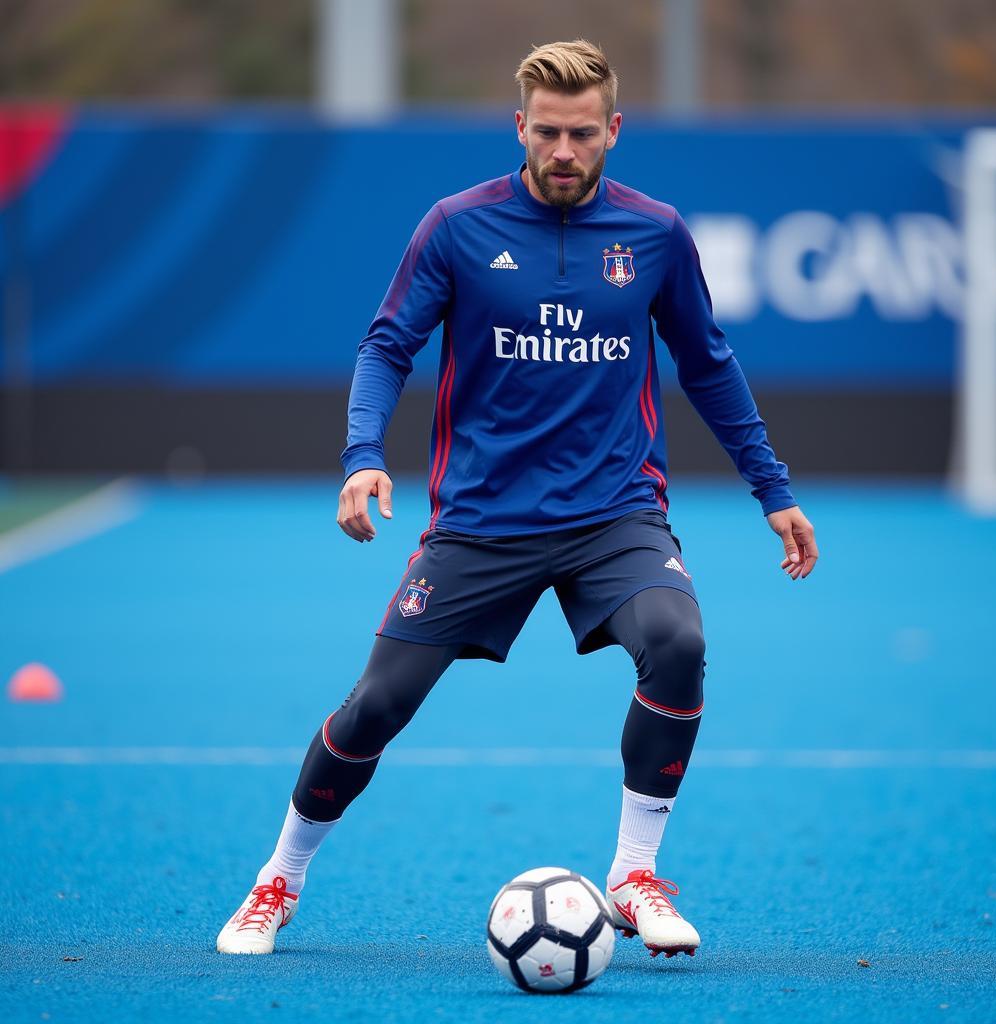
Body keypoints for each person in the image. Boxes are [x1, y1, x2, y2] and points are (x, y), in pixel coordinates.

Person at [217, 38, 818, 958]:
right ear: (520, 128)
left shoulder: (655, 234)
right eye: (548, 133)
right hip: (481, 522)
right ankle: (278, 879)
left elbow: (708, 364)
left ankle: (635, 873)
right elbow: (386, 347)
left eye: (583, 133)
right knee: (377, 705)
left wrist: (771, 488)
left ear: (614, 129)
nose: (565, 151)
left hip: (615, 517)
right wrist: (362, 456)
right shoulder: (457, 227)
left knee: (679, 642)